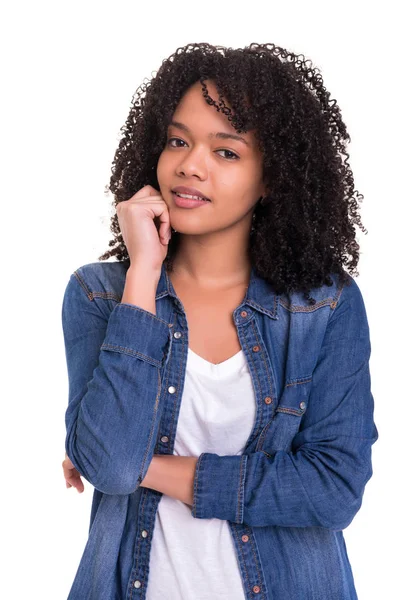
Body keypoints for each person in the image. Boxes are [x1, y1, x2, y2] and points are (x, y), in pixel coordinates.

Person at [61, 42, 379, 600]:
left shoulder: (323, 307)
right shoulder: (100, 294)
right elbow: (110, 468)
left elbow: (333, 488)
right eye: (178, 140)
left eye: (226, 152)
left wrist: (148, 467)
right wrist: (142, 276)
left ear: (272, 176)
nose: (190, 164)